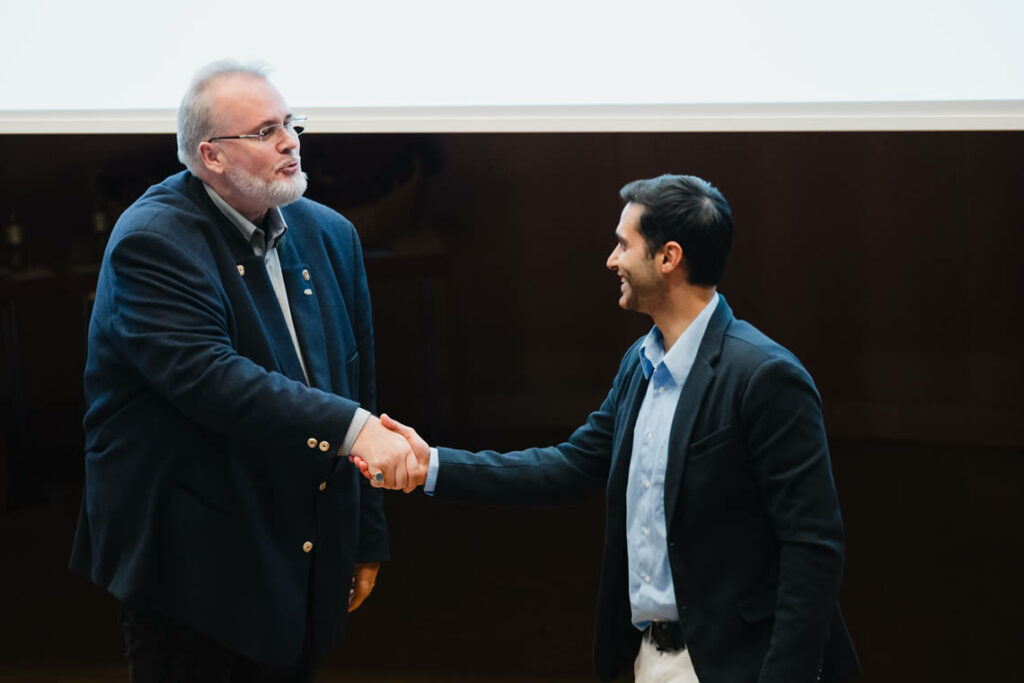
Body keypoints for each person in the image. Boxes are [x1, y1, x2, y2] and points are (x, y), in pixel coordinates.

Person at [359, 175, 861, 682]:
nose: (611, 259)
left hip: (741, 665)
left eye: (624, 244)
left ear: (668, 257)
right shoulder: (639, 364)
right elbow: (569, 465)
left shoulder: (765, 376)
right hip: (651, 659)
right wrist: (432, 466)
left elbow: (812, 545)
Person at [70, 61, 416, 681]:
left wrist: (364, 537)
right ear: (211, 156)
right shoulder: (152, 240)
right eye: (263, 132)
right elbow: (212, 378)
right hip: (192, 561)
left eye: (290, 124)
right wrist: (354, 429)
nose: (289, 142)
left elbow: (356, 388)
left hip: (299, 546)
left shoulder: (330, 234)